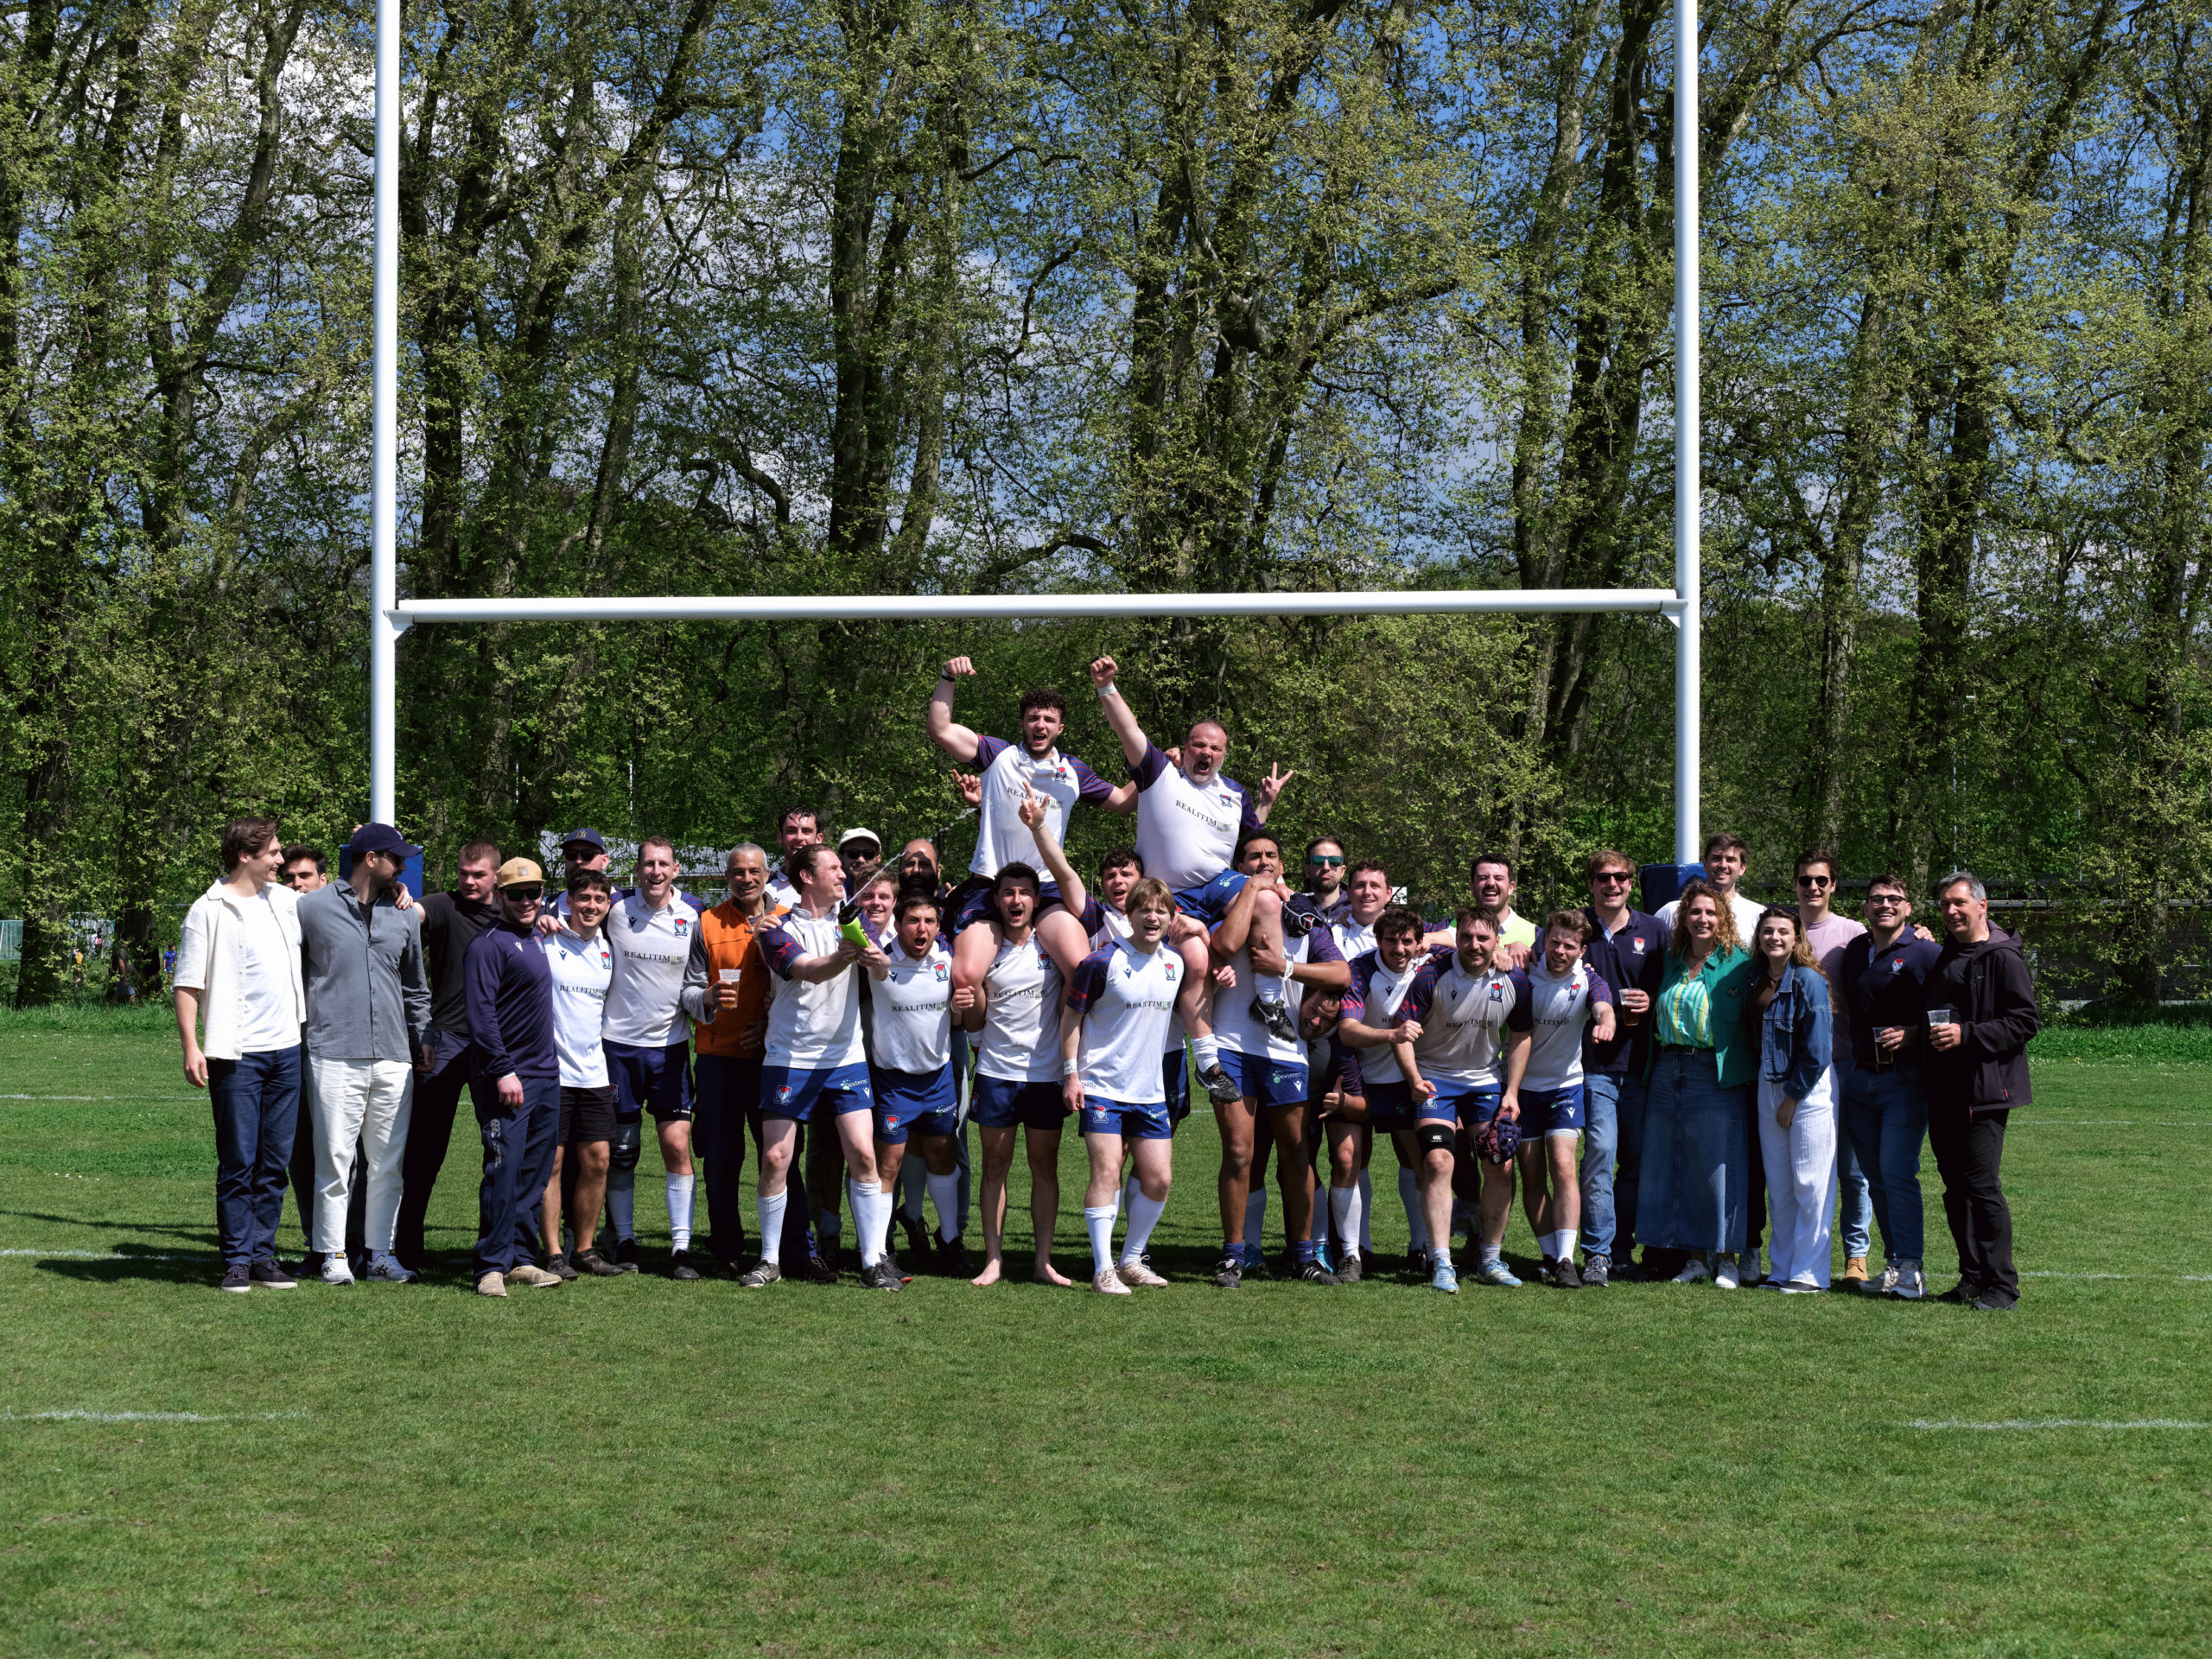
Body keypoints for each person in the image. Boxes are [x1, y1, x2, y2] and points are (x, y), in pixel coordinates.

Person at [1087, 654, 1295, 1093]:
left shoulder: (1234, 794)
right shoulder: (1159, 773)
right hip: (1169, 894)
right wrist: (1107, 687)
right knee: (1198, 960)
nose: (1207, 753)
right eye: (1199, 745)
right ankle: (1208, 1062)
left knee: (1267, 895)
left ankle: (1270, 1003)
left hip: (1218, 886)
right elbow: (1129, 731)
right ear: (1185, 748)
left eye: (1215, 748)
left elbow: (1253, 845)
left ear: (1224, 754)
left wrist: (1265, 808)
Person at [741, 842, 898, 1289]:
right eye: (833, 868)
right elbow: (809, 970)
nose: (843, 874)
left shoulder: (854, 921)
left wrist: (876, 959)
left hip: (845, 1057)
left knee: (863, 1154)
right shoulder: (775, 928)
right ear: (807, 877)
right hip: (789, 1058)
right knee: (776, 1158)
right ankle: (769, 1260)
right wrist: (846, 954)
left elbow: (883, 969)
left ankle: (873, 1261)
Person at [1204, 830, 1348, 1287]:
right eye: (1253, 856)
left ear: (1283, 866)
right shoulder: (1224, 907)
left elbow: (1340, 973)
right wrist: (1252, 890)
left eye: (1271, 855)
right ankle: (1234, 1255)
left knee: (1297, 1153)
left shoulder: (1304, 917)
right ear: (1239, 866)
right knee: (1239, 1152)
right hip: (1232, 1045)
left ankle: (1304, 1256)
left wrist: (1285, 967)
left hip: (1286, 1050)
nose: (1263, 861)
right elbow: (1222, 947)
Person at [295, 823, 432, 1285]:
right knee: (334, 1161)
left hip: (394, 1055)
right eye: (397, 858)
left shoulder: (404, 915)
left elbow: (415, 985)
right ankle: (333, 1254)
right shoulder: (311, 908)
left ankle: (380, 1256)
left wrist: (424, 1035)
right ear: (371, 859)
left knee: (388, 1164)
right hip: (332, 1051)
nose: (403, 867)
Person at [175, 817, 306, 1293]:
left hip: (287, 1052)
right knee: (238, 1162)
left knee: (274, 1163)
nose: (281, 860)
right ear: (245, 856)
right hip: (236, 1056)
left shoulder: (285, 901)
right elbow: (187, 984)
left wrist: (396, 890)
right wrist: (191, 1046)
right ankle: (236, 1260)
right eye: (273, 852)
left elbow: (340, 901)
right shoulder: (207, 910)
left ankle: (262, 1256)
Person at [967, 791, 1090, 1287]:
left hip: (1044, 1075)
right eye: (1007, 893)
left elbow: (1078, 992)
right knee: (995, 1165)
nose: (1015, 900)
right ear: (997, 899)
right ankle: (993, 1260)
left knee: (1044, 1166)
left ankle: (1042, 1261)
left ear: (1036, 900)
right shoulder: (986, 945)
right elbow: (973, 1013)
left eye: (1024, 893)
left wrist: (1070, 1066)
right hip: (996, 1072)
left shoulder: (1050, 943)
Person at [689, 842, 817, 1278]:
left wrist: (768, 1022)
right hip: (718, 1059)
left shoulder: (788, 919)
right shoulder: (706, 922)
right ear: (727, 876)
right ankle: (726, 1250)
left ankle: (797, 1251)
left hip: (773, 1058)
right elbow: (688, 989)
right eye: (738, 872)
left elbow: (802, 987)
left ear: (767, 874)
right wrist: (706, 998)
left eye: (754, 871)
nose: (746, 878)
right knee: (721, 1159)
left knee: (781, 1157)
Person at [1062, 876, 1186, 1294]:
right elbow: (1071, 1019)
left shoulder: (1175, 964)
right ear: (1129, 915)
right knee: (1107, 1171)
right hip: (1102, 1087)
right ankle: (1103, 1270)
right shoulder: (1101, 962)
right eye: (1143, 910)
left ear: (1170, 918)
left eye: (1161, 911)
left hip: (1150, 1092)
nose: (1152, 917)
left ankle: (1131, 1260)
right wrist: (1071, 1074)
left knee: (1159, 1179)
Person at [1925, 872, 2037, 1312]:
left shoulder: (2004, 957)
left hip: (1985, 1091)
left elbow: (2024, 1022)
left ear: (1982, 905)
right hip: (1944, 1088)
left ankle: (2003, 1286)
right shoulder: (1947, 953)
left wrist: (1966, 1034)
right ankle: (1972, 1277)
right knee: (1955, 1189)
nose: (1952, 911)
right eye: (1945, 904)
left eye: (1959, 903)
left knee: (1982, 1187)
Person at [1637, 880, 1758, 1287]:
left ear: (1723, 919)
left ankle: (1726, 1257)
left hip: (1714, 1072)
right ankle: (1694, 1259)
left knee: (1720, 1166)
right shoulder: (1671, 960)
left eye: (1711, 912)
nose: (1702, 918)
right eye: (1695, 912)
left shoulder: (1740, 962)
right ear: (1684, 918)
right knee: (1677, 1163)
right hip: (1668, 1068)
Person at [600, 836, 707, 1280]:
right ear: (637, 868)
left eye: (663, 864)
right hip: (618, 1048)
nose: (655, 871)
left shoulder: (694, 915)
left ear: (676, 869)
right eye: (648, 864)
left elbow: (698, 978)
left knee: (677, 1147)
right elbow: (571, 917)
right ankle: (624, 1239)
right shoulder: (615, 909)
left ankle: (681, 1248)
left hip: (671, 1050)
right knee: (622, 1151)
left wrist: (710, 1002)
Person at [1397, 908, 1522, 1287]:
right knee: (1438, 1162)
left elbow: (1522, 1034)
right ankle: (1441, 1261)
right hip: (1436, 1079)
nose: (1474, 945)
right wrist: (1414, 1079)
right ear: (1457, 939)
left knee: (1500, 1162)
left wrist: (1512, 1091)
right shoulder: (1431, 975)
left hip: (1485, 1082)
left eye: (1483, 938)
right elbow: (1402, 1033)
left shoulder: (1516, 979)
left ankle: (1490, 1259)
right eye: (1466, 937)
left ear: (1497, 942)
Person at [1563, 850, 1669, 1286]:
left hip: (1643, 1066)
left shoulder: (1655, 930)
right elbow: (1541, 958)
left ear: (1631, 883)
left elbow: (1674, 984)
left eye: (1621, 877)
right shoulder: (1576, 928)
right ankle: (1598, 1254)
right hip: (1593, 1065)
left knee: (1636, 1164)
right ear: (1591, 883)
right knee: (1600, 1156)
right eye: (1604, 877)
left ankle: (1623, 1249)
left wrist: (1652, 999)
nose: (1613, 884)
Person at [397, 841, 502, 1272]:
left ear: (496, 876)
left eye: (479, 874)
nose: (470, 881)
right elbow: (411, 915)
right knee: (424, 1149)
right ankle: (406, 1245)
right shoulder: (443, 905)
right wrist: (398, 894)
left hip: (494, 1045)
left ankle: (494, 1248)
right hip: (444, 1040)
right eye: (464, 873)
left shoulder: (513, 911)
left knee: (498, 1148)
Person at [1495, 912, 1616, 1287]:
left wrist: (1606, 1022)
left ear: (1582, 950)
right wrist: (1508, 948)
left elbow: (1603, 1005)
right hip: (1521, 1088)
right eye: (1555, 942)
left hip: (1565, 1087)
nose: (1560, 951)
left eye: (1569, 945)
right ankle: (1549, 1255)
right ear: (1544, 941)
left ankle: (1566, 1260)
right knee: (1532, 1175)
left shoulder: (1589, 979)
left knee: (1563, 1168)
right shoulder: (1524, 971)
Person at [462, 859, 565, 1296]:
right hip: (506, 1077)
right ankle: (490, 1266)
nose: (526, 901)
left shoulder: (535, 937)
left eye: (533, 893)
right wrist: (503, 1070)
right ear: (499, 896)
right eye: (516, 894)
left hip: (546, 1075)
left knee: (534, 1172)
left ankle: (521, 1258)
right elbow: (480, 1015)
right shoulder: (487, 946)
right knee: (503, 1170)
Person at [1839, 873, 1942, 1300]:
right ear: (1865, 907)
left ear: (1908, 908)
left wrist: (1915, 1034)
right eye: (1877, 899)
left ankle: (1911, 1269)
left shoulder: (1926, 952)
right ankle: (1894, 1265)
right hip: (1861, 1078)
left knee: (1897, 1171)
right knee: (1876, 1177)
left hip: (1905, 1080)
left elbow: (1949, 1009)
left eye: (1894, 899)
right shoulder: (1855, 951)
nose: (1885, 905)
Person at [1332, 904, 1440, 1283]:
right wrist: (1392, 1034)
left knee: (1419, 1161)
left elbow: (1460, 941)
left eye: (1407, 941)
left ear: (1419, 942)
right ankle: (1353, 1252)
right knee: (1347, 1160)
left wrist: (1503, 952)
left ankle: (1422, 1246)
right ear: (1378, 940)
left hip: (1405, 1080)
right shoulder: (1360, 970)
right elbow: (1347, 1030)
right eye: (1391, 940)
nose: (1399, 949)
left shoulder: (1430, 964)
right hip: (1357, 1077)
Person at [867, 892, 972, 1273]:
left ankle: (950, 1240)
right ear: (898, 925)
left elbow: (955, 1019)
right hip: (893, 1082)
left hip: (938, 1079)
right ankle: (878, 1252)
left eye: (929, 921)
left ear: (938, 927)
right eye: (913, 920)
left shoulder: (946, 962)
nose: (921, 929)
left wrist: (958, 1009)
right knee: (888, 1165)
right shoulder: (879, 961)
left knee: (942, 1156)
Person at [1793, 849, 1873, 1287]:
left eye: (1821, 880)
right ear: (1795, 884)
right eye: (1805, 880)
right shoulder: (1779, 929)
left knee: (1852, 1169)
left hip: (1844, 1062)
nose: (1813, 887)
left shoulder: (1852, 932)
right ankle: (1799, 1253)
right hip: (1793, 1067)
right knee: (1801, 1170)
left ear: (1834, 885)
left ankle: (1856, 1255)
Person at [1748, 907, 1838, 1292]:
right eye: (1768, 931)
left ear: (1796, 937)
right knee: (1781, 1186)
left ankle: (1810, 1273)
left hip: (1807, 1088)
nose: (1775, 938)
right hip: (1767, 1084)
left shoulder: (1808, 980)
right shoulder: (1755, 977)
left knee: (1811, 1182)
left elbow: (1818, 1050)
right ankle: (1781, 1269)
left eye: (1783, 931)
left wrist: (1792, 1098)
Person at [541, 868, 619, 1278]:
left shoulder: (609, 948)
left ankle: (585, 1250)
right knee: (551, 1164)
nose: (591, 906)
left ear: (607, 905)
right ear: (569, 902)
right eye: (584, 898)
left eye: (599, 899)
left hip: (593, 1073)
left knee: (598, 1161)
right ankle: (554, 1253)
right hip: (551, 1073)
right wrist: (540, 919)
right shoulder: (547, 938)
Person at [276, 843, 328, 1249]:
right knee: (300, 1146)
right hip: (291, 1043)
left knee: (346, 1147)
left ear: (323, 880)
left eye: (305, 876)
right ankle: (316, 1237)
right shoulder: (273, 918)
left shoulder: (342, 916)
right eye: (289, 877)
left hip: (338, 1045)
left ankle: (355, 1237)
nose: (297, 884)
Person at [766, 807, 822, 907]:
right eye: (791, 831)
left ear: (819, 838)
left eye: (806, 831)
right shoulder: (765, 891)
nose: (799, 837)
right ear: (780, 837)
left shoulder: (836, 886)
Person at [838, 828, 885, 895]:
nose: (861, 860)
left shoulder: (889, 892)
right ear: (840, 858)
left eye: (868, 854)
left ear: (878, 859)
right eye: (853, 853)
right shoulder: (827, 892)